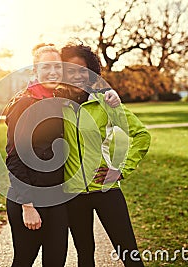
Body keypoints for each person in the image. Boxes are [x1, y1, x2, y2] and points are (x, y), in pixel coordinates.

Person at [4, 44, 121, 267]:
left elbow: (85, 92)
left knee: (56, 260)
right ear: (35, 71)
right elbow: (14, 157)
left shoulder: (59, 99)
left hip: (57, 198)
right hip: (30, 198)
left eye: (57, 66)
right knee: (24, 261)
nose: (53, 72)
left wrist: (110, 93)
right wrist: (27, 206)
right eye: (46, 67)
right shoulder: (23, 104)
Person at [60, 44, 151, 267]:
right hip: (73, 193)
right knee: (85, 255)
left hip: (106, 188)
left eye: (82, 70)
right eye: (70, 70)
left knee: (129, 252)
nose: (77, 76)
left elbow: (141, 135)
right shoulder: (57, 105)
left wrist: (122, 169)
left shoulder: (106, 102)